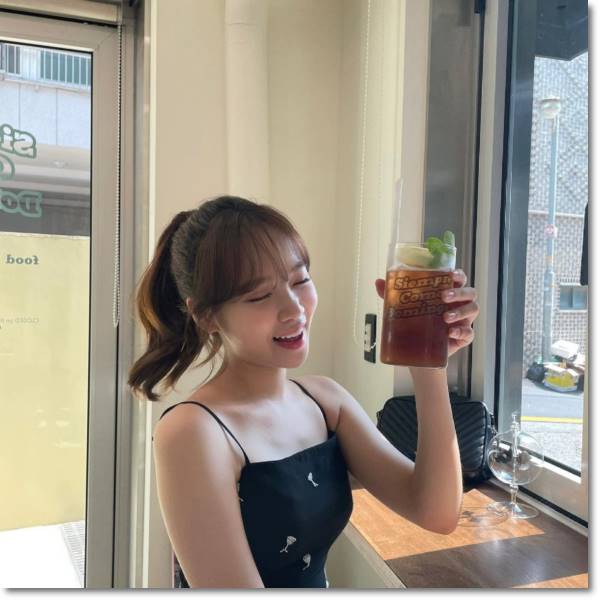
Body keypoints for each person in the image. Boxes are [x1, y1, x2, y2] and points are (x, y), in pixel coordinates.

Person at [127, 195, 480, 589]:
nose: (294, 309)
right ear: (206, 315)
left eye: (300, 280)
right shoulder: (193, 431)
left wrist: (429, 363)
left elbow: (436, 512)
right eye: (259, 295)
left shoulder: (325, 401)